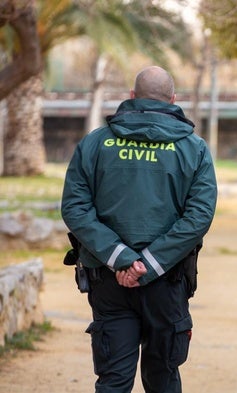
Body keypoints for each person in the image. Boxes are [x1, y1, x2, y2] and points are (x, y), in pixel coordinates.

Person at [61, 65, 217, 393]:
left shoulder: (94, 144)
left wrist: (121, 259)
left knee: (114, 380)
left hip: (108, 279)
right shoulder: (195, 148)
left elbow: (75, 208)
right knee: (163, 379)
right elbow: (198, 217)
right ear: (173, 100)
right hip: (168, 279)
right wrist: (149, 264)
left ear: (132, 97)